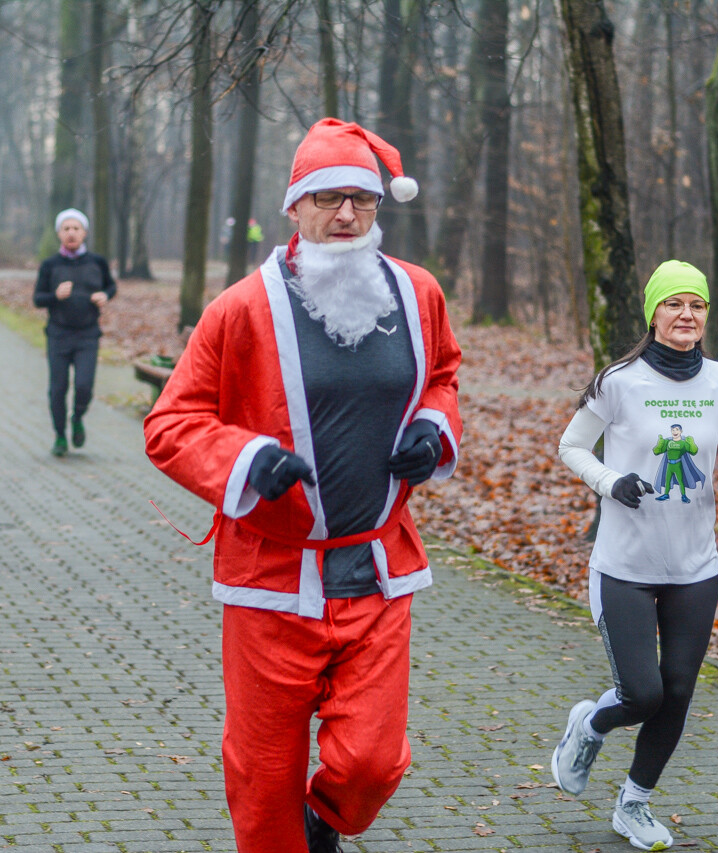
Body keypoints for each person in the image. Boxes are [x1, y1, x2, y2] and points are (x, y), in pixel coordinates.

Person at [144, 118, 462, 853]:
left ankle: (324, 821)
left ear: (379, 208)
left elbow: (442, 375)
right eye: (326, 197)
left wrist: (433, 429)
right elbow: (172, 422)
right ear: (295, 207)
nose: (345, 214)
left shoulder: (418, 295)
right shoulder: (241, 308)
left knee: (371, 761)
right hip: (271, 582)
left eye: (361, 198)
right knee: (263, 775)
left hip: (378, 571)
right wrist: (246, 459)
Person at [552, 260, 718, 851]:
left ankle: (634, 805)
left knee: (679, 691)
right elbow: (571, 445)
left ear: (706, 316)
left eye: (697, 305)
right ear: (654, 314)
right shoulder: (619, 380)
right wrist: (610, 481)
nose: (686, 315)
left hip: (696, 568)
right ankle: (589, 726)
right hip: (624, 566)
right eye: (674, 304)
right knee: (643, 693)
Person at [32, 208, 116, 457]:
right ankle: (59, 435)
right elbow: (38, 298)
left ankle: (77, 417)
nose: (71, 233)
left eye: (76, 228)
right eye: (66, 229)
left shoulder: (97, 262)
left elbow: (111, 285)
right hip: (58, 335)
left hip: (88, 335)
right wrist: (54, 296)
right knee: (58, 389)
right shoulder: (50, 265)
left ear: (84, 233)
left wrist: (105, 295)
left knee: (84, 386)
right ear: (59, 233)